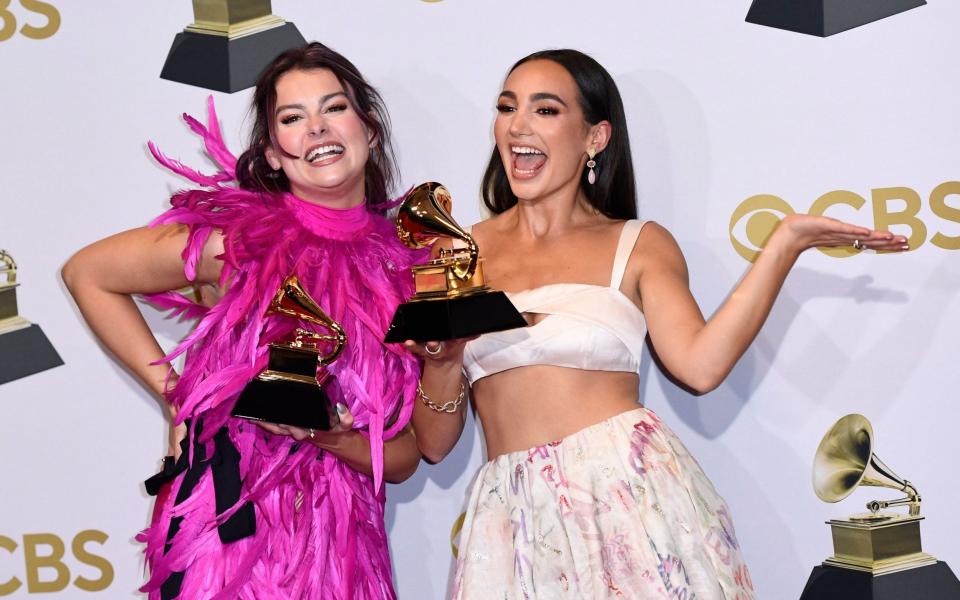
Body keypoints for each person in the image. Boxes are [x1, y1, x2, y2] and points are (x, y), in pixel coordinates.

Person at [408, 49, 909, 599]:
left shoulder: (638, 244)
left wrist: (785, 243)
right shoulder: (457, 252)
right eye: (507, 108)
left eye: (545, 110)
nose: (518, 127)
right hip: (512, 523)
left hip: (631, 498)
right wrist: (443, 360)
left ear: (595, 138)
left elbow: (700, 366)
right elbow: (433, 445)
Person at [62, 43, 422, 599]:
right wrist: (178, 394)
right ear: (272, 153)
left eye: (334, 109)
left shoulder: (407, 271)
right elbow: (88, 273)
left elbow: (403, 459)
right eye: (292, 118)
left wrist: (330, 434)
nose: (317, 129)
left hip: (342, 541)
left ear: (369, 130)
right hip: (228, 530)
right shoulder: (236, 244)